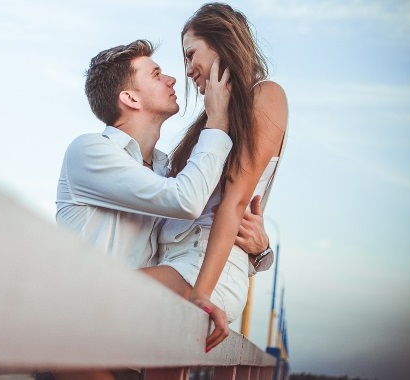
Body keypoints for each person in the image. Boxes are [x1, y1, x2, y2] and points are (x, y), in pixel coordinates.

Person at [52, 39, 271, 380]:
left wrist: (260, 252)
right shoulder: (90, 151)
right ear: (130, 98)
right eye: (156, 74)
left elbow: (193, 241)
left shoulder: (163, 172)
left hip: (131, 353)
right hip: (78, 349)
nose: (172, 79)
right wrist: (217, 121)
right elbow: (186, 201)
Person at [158, 2, 289, 352]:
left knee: (86, 303)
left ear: (221, 43)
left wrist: (201, 294)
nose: (187, 70)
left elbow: (235, 201)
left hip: (204, 271)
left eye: (191, 54)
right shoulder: (211, 120)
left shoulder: (266, 96)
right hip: (175, 261)